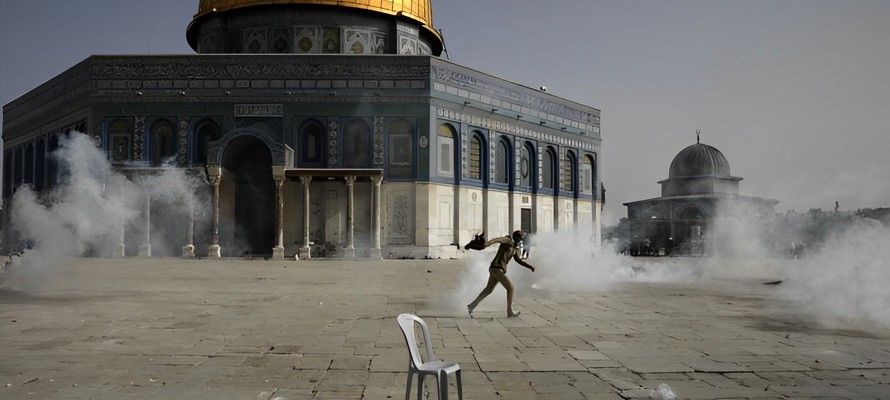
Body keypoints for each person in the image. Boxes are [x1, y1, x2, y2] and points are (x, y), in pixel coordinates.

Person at [466, 230, 535, 318]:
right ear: (516, 237)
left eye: (521, 239)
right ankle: (509, 311)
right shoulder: (508, 240)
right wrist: (485, 245)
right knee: (510, 288)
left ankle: (471, 306)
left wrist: (530, 267)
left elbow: (518, 260)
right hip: (497, 269)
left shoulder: (515, 248)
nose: (520, 240)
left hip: (496, 269)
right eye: (519, 238)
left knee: (488, 289)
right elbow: (496, 240)